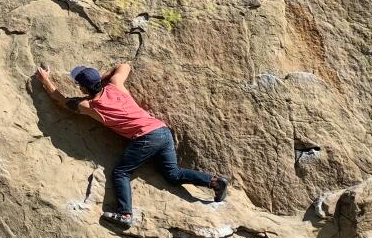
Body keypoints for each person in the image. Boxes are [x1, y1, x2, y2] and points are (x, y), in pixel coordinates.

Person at [35, 61, 231, 227]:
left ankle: (125, 214)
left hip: (146, 137)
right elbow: (124, 65)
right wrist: (102, 78)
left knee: (121, 173)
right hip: (162, 130)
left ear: (83, 88)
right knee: (173, 174)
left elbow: (60, 99)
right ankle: (215, 182)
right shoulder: (115, 85)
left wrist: (45, 80)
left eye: (80, 85)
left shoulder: (89, 106)